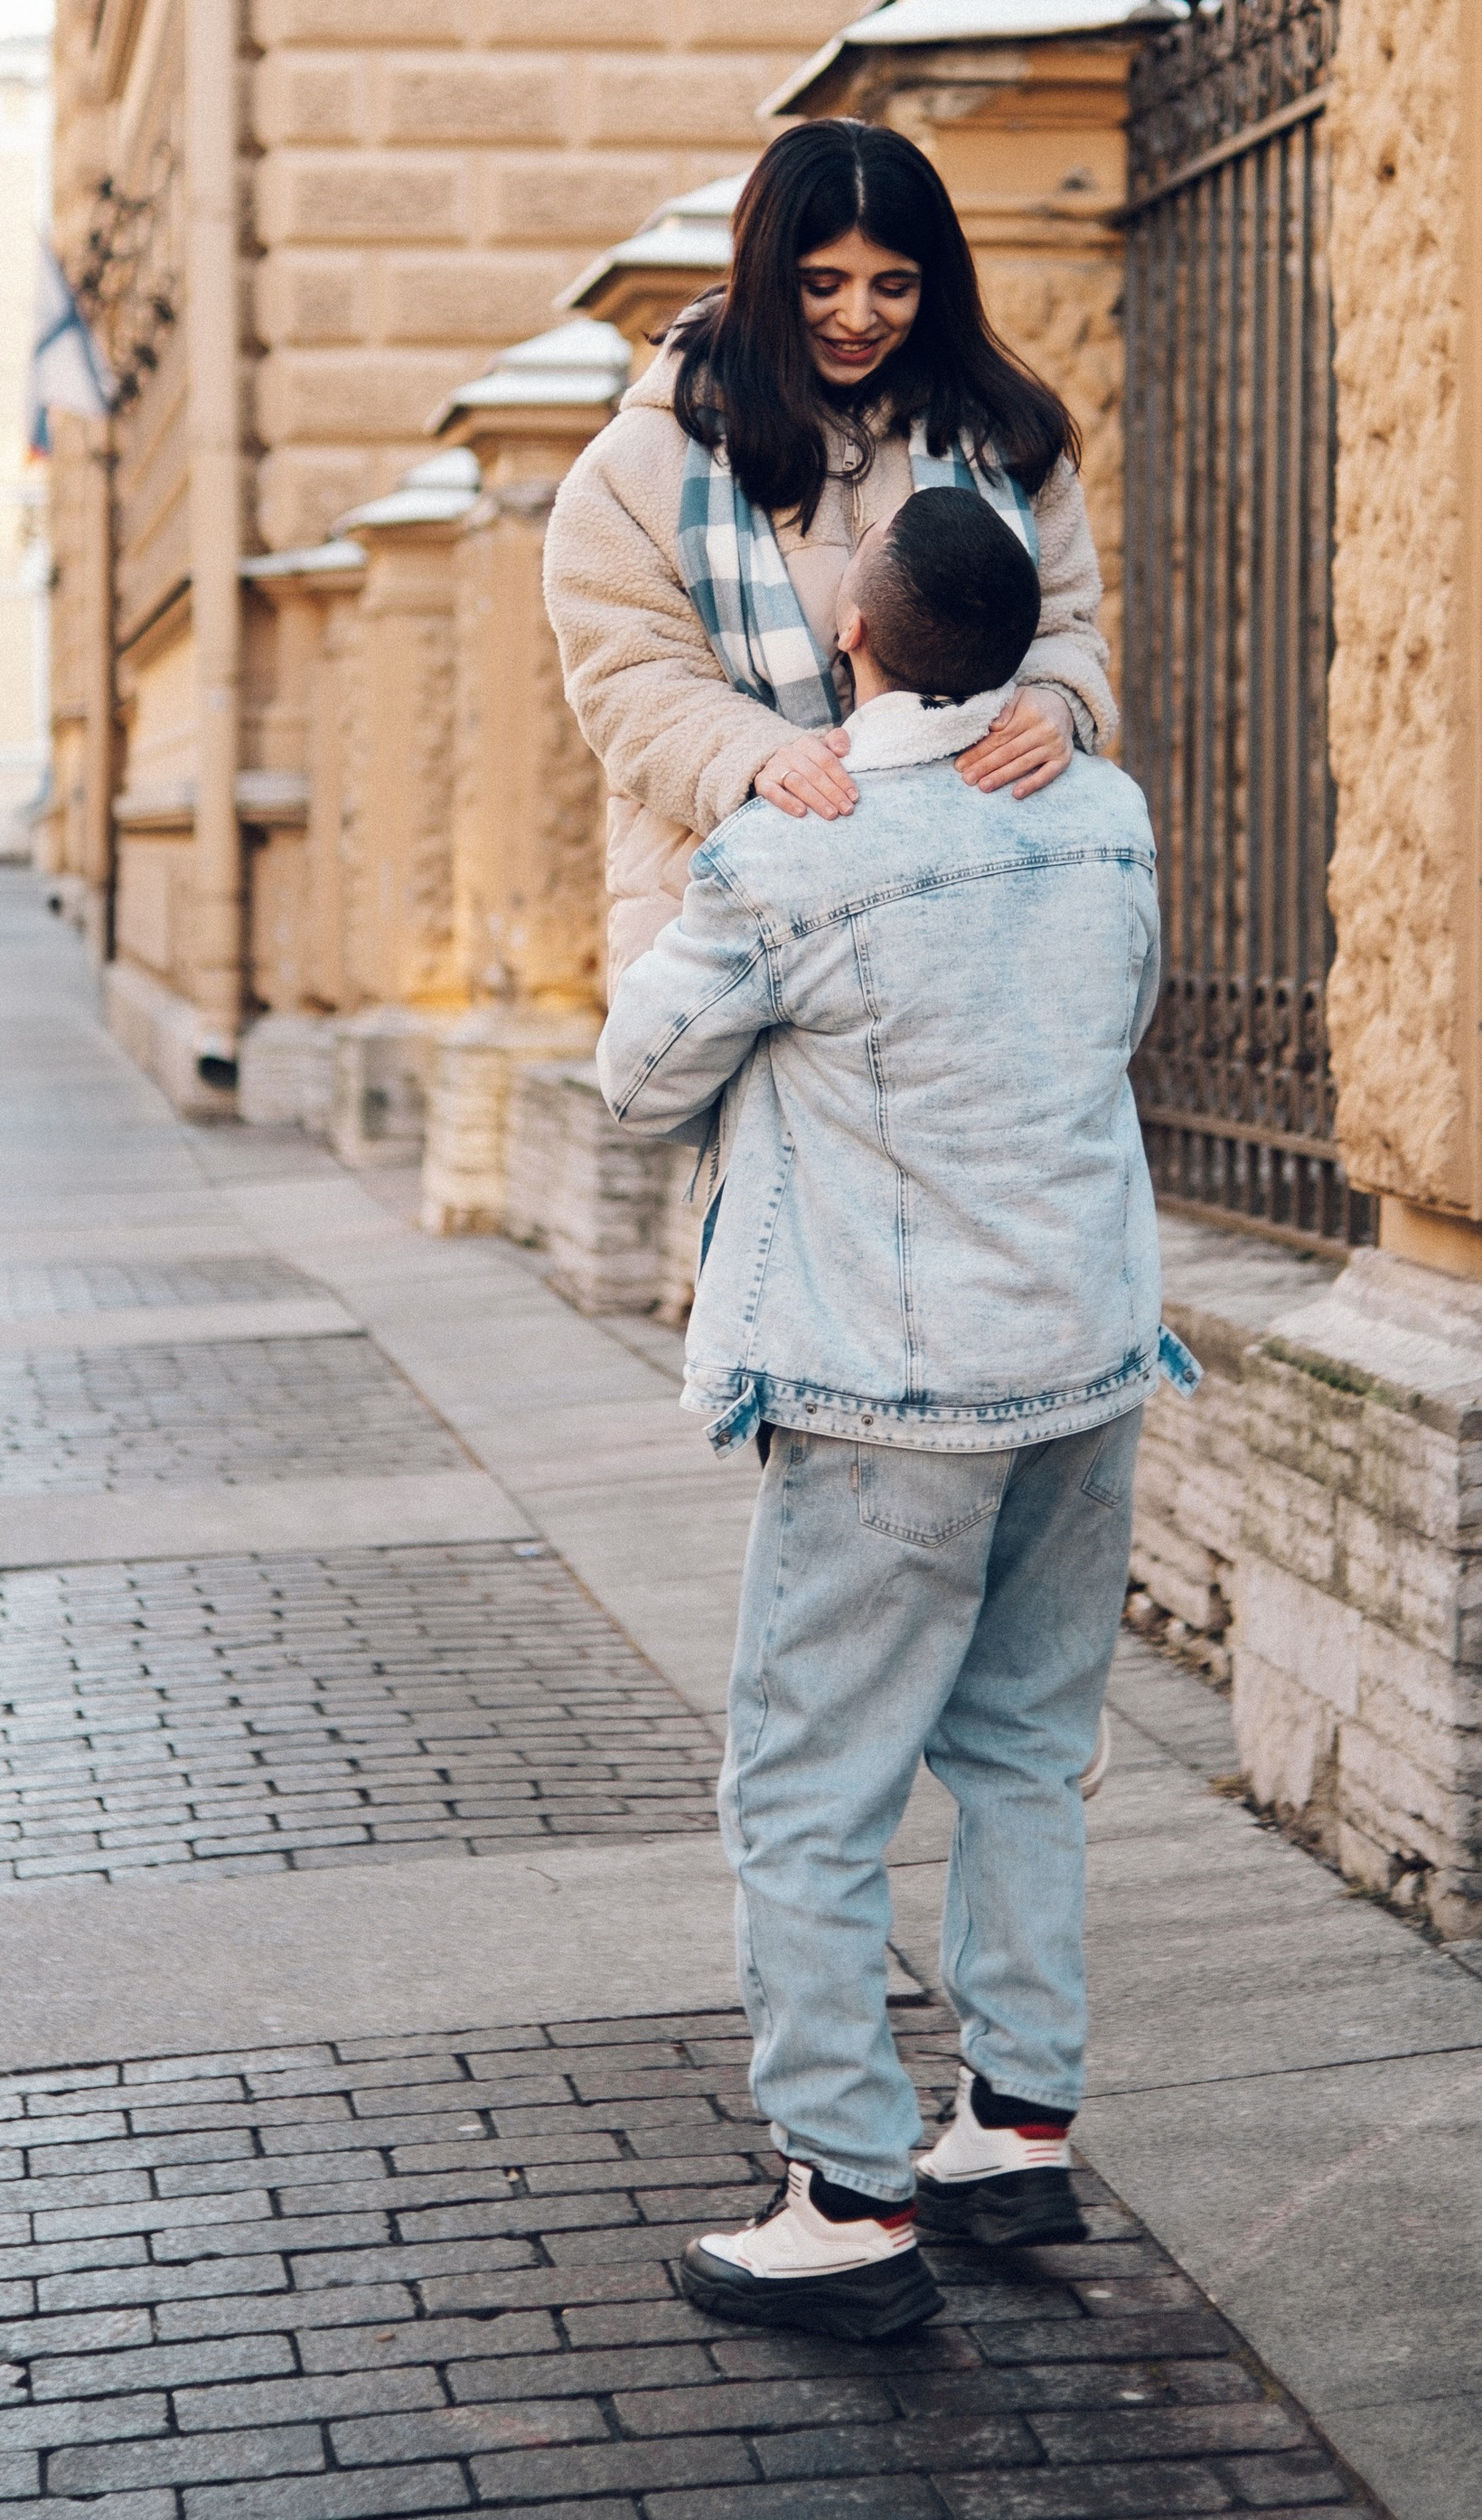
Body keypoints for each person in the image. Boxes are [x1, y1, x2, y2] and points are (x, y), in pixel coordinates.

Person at [596, 488, 1196, 2345]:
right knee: (1022, 1752)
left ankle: (845, 2196)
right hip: (1085, 1361)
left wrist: (736, 851)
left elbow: (633, 1078)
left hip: (885, 1387)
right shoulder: (1098, 813)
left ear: (852, 635)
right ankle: (1013, 2127)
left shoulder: (790, 852)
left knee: (805, 1789)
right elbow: (1121, 1018)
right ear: (1013, 649)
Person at [543, 118, 1115, 992]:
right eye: (823, 283)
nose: (858, 316)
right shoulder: (641, 465)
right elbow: (628, 680)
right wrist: (756, 754)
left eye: (894, 284)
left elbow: (1064, 618)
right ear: (769, 277)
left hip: (971, 902)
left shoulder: (1007, 441)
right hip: (739, 918)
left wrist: (1057, 698)